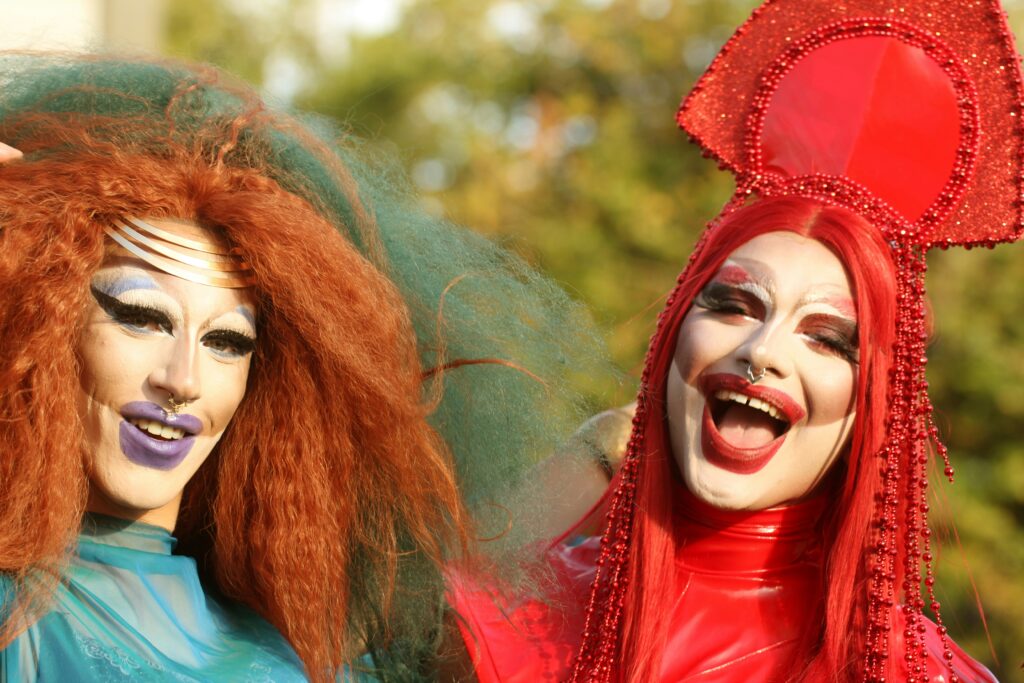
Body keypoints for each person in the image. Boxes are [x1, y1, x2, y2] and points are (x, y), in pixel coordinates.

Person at [449, 1, 1023, 681]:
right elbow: (373, 615)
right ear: (674, 331)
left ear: (871, 407)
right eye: (734, 304)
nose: (763, 348)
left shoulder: (919, 673)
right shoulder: (512, 619)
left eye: (828, 339)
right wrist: (601, 450)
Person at [0, 54, 604, 681]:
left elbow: (451, 581)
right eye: (142, 317)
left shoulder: (288, 643)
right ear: (41, 324)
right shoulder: (16, 616)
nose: (182, 380)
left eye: (228, 342)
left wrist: (607, 448)